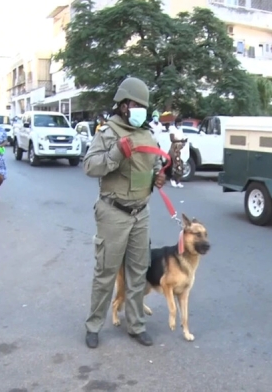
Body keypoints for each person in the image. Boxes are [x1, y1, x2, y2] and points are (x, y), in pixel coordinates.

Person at [83, 77, 166, 349]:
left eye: (143, 105)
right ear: (122, 105)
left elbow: (149, 169)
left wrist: (158, 178)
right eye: (135, 103)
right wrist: (117, 152)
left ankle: (136, 324)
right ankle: (94, 325)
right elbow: (90, 167)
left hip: (141, 212)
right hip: (113, 212)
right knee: (106, 271)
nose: (140, 109)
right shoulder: (108, 133)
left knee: (138, 271)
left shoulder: (147, 134)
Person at [168, 117, 189, 188]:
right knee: (176, 165)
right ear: (176, 123)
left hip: (180, 149)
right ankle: (173, 179)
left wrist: (184, 140)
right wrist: (180, 140)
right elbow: (172, 139)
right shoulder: (172, 129)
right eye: (180, 123)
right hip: (175, 148)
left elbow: (182, 137)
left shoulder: (180, 129)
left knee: (181, 165)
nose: (180, 125)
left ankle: (178, 181)